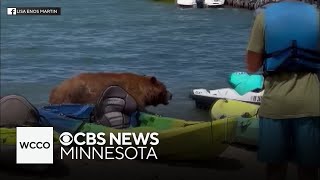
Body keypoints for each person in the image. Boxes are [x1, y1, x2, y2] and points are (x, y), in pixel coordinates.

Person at [245, 0, 320, 180]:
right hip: (311, 104)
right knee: (309, 169)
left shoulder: (264, 17)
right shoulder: (317, 16)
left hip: (275, 106)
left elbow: (252, 66)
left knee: (275, 169)